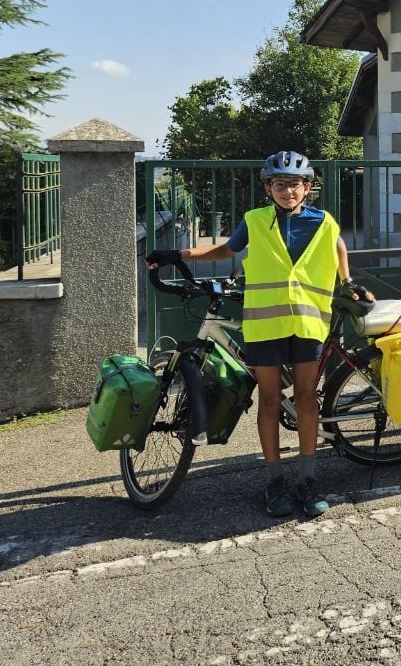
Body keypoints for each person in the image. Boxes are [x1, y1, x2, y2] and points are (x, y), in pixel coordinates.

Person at [146, 151, 373, 518]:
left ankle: (309, 479)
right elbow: (227, 249)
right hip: (265, 324)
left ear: (307, 187)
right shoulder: (254, 220)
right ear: (268, 188)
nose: (288, 191)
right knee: (269, 399)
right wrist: (179, 254)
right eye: (280, 184)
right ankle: (274, 480)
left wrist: (348, 281)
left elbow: (337, 244)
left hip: (307, 323)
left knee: (304, 399)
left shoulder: (323, 221)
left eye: (295, 184)